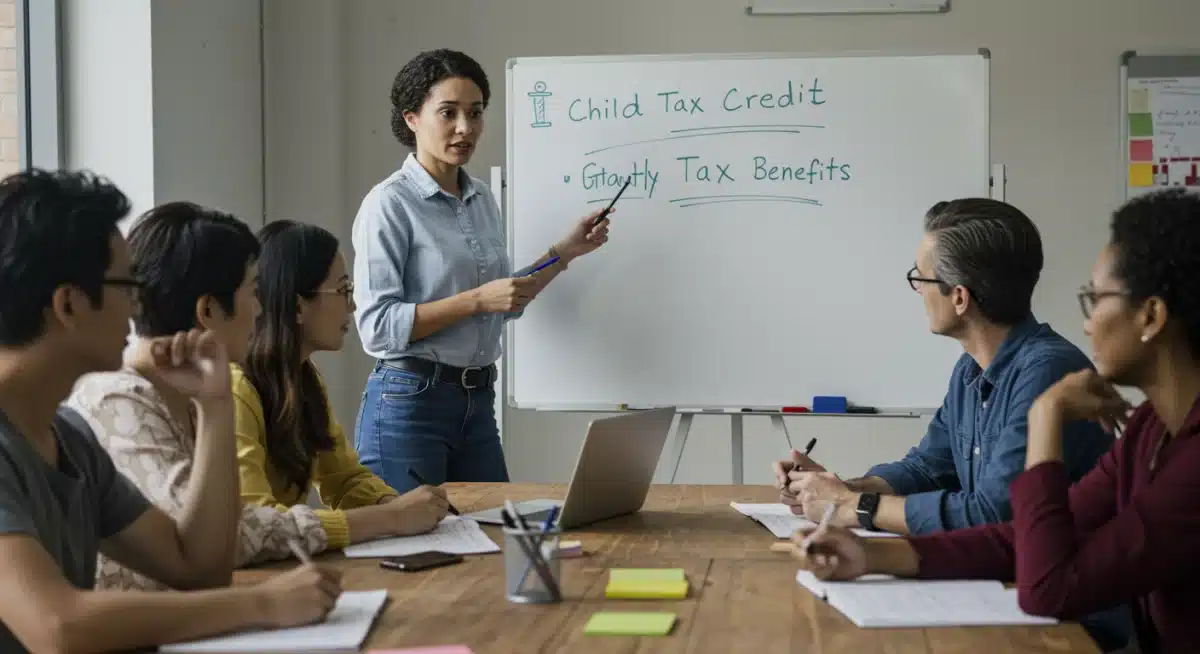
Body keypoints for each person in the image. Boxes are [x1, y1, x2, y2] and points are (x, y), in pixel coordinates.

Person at [787, 187, 1200, 654]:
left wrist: (1046, 414)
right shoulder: (1149, 428)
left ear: (1150, 316)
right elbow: (1014, 536)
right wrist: (869, 553)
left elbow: (1049, 586)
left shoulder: (1059, 378)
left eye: (1095, 300)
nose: (1086, 325)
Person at [0, 169, 339, 654]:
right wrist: (261, 605)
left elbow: (198, 568)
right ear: (69, 304)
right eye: (127, 287)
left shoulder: (70, 441)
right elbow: (57, 626)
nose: (139, 307)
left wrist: (216, 405)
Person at [352, 48, 612, 492]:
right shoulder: (389, 204)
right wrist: (476, 300)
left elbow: (503, 302)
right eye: (448, 113)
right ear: (412, 118)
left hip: (476, 402)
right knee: (409, 550)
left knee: (493, 539)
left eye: (475, 113)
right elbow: (377, 328)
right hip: (410, 403)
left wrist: (565, 251)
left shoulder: (481, 199)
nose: (465, 128)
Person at [773, 198, 1113, 537]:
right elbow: (927, 469)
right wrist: (838, 489)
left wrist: (855, 506)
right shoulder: (970, 369)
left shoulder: (1048, 373)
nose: (918, 290)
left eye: (921, 278)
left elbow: (995, 514)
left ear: (960, 298)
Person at [232, 219, 450, 558]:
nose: (352, 306)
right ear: (297, 305)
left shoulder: (304, 377)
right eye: (344, 290)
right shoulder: (236, 389)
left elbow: (343, 478)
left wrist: (397, 505)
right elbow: (257, 524)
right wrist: (390, 517)